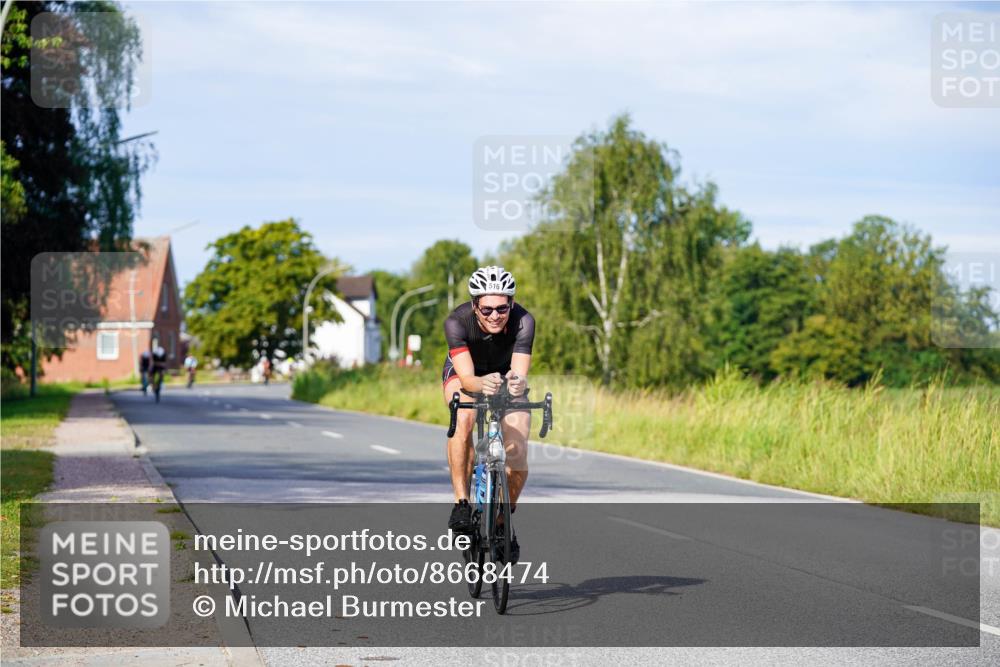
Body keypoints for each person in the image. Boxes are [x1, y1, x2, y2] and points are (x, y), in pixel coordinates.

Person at [443, 266, 534, 563]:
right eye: (487, 309)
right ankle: (461, 503)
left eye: (502, 308)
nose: (495, 315)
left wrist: (517, 383)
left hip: (504, 375)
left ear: (511, 303)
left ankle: (500, 523)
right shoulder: (457, 322)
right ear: (474, 306)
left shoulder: (524, 321)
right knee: (464, 418)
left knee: (518, 450)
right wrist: (481, 384)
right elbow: (468, 380)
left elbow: (519, 376)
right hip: (466, 373)